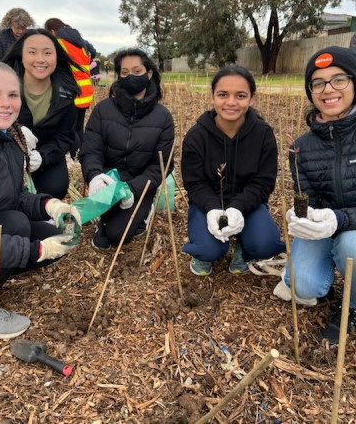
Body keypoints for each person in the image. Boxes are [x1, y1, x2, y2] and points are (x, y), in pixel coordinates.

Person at [0, 61, 81, 339]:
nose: (6, 103)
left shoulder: (4, 137)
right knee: (14, 225)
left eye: (13, 95)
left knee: (53, 235)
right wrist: (35, 251)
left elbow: (13, 195)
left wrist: (51, 205)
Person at [275, 46, 356, 344]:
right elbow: (307, 198)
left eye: (339, 79)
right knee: (303, 285)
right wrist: (300, 216)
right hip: (327, 224)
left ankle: (353, 306)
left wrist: (339, 220)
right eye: (318, 83)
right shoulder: (301, 147)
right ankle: (334, 276)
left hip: (351, 231)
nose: (328, 89)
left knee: (352, 245)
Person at [181, 65, 285, 277]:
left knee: (265, 244)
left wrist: (238, 207)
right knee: (210, 249)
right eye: (222, 95)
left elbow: (264, 183)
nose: (230, 102)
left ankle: (244, 247)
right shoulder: (196, 136)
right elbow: (194, 183)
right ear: (212, 97)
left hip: (248, 204)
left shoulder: (263, 134)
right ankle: (202, 252)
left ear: (252, 98)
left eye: (240, 95)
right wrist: (211, 208)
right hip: (206, 206)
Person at [79, 48, 174, 249]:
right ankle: (105, 218)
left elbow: (160, 166)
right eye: (125, 73)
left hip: (138, 187)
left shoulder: (163, 117)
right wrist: (95, 176)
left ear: (149, 74)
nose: (131, 77)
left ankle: (145, 209)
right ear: (119, 76)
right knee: (100, 238)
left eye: (137, 71)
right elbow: (91, 150)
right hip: (108, 181)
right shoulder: (103, 110)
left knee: (116, 235)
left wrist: (132, 189)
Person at [3, 29, 80, 199]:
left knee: (56, 187)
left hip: (46, 153)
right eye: (32, 52)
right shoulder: (3, 87)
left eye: (47, 53)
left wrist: (42, 157)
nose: (40, 59)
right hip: (8, 153)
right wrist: (15, 129)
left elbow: (65, 137)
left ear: (56, 57)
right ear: (21, 56)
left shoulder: (66, 94)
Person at [44, 19, 93, 158]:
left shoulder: (59, 42)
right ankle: (83, 156)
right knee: (78, 127)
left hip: (72, 90)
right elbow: (92, 54)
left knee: (70, 129)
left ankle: (77, 157)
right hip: (85, 89)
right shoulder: (79, 43)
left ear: (52, 32)